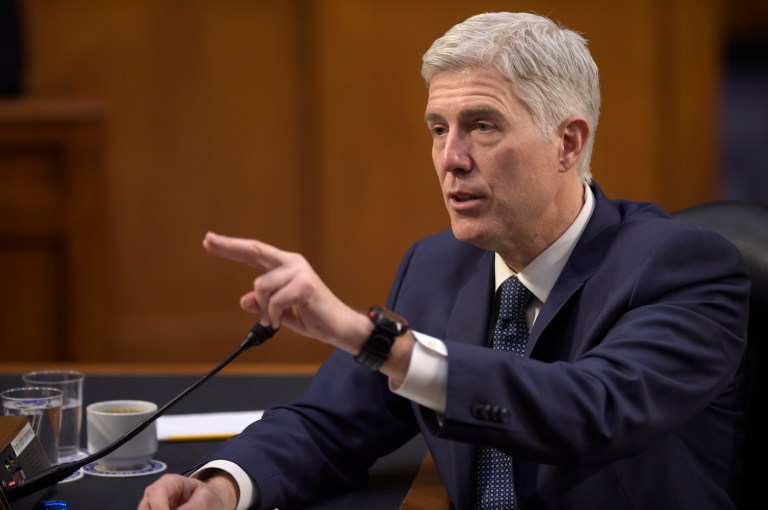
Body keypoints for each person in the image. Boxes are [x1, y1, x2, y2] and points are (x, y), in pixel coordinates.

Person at [138, 11, 750, 510]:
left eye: (482, 126)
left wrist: (369, 337)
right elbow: (330, 423)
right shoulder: (436, 267)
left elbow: (591, 409)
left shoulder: (684, 266)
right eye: (438, 128)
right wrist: (224, 487)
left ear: (567, 143)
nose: (450, 158)